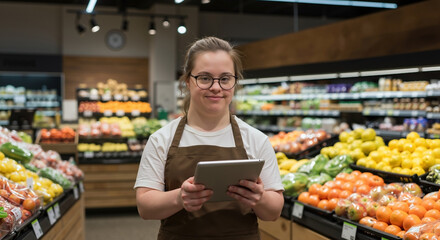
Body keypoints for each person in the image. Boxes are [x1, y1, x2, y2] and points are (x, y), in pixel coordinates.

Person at [134, 36, 284, 240]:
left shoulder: (256, 139)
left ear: (234, 82)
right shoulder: (162, 139)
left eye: (225, 79)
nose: (216, 87)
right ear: (188, 81)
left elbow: (274, 212)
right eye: (205, 78)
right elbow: (145, 207)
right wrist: (179, 198)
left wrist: (260, 198)